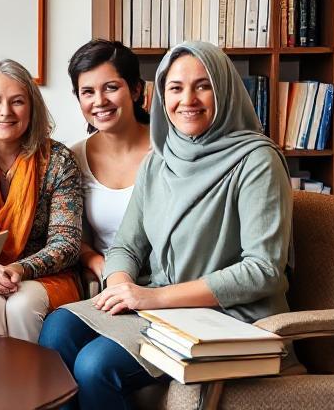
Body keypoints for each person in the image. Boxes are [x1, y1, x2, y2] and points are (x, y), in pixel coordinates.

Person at [39, 41, 293, 409]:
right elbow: (127, 245)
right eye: (175, 88)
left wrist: (151, 297)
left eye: (202, 85)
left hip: (230, 316)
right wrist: (121, 283)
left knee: (96, 367)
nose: (187, 99)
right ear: (162, 94)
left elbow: (264, 270)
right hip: (162, 305)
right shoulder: (161, 158)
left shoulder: (257, 161)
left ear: (223, 89)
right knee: (57, 329)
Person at [0, 59, 84, 343]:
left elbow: (66, 242)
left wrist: (19, 268)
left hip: (44, 276)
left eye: (17, 101)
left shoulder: (58, 161)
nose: (5, 112)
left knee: (22, 306)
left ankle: (33, 387)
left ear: (32, 108)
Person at [67, 40, 151, 283]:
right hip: (108, 283)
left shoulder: (170, 151)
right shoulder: (74, 158)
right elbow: (72, 235)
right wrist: (92, 258)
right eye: (88, 92)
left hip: (165, 281)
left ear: (136, 90)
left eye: (111, 87)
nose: (99, 101)